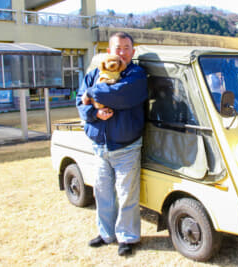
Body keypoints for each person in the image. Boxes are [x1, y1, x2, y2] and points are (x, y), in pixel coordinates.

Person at [76, 32, 148, 256]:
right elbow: (80, 102)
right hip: (100, 146)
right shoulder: (93, 73)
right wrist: (96, 113)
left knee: (127, 194)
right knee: (102, 193)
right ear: (109, 51)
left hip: (126, 146)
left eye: (127, 48)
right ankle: (106, 234)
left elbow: (121, 95)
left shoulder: (136, 75)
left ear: (133, 52)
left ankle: (127, 237)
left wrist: (92, 93)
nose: (122, 52)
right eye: (118, 48)